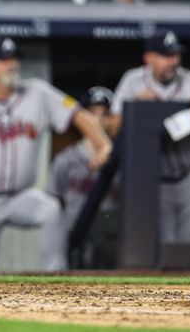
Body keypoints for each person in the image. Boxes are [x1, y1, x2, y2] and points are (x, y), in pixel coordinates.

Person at [0, 37, 112, 271]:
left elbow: (80, 115)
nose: (11, 64)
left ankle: (57, 278)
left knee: (50, 211)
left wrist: (103, 145)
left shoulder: (38, 93)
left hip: (21, 197)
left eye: (13, 59)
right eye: (3, 60)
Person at [109, 30, 190, 242]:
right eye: (166, 56)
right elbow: (114, 127)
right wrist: (134, 108)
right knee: (164, 248)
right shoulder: (133, 81)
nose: (173, 61)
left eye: (175, 55)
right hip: (155, 181)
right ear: (149, 58)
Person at [49, 86, 119, 268]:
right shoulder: (65, 159)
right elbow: (55, 201)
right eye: (92, 113)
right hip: (73, 235)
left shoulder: (124, 160)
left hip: (111, 237)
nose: (98, 120)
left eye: (105, 114)